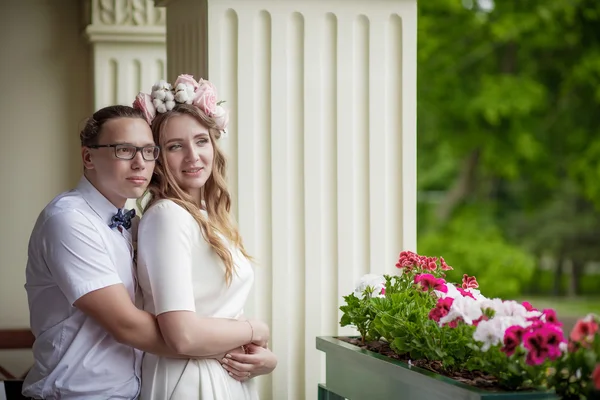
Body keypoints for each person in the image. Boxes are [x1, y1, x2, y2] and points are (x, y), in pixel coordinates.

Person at [21, 105, 265, 400]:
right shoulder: (69, 221)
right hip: (78, 394)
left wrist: (247, 350)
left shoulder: (130, 221)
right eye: (124, 150)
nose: (139, 163)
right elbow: (129, 326)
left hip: (131, 391)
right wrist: (246, 336)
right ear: (88, 157)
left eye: (149, 151)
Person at [134, 75, 277, 399]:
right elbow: (182, 335)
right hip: (189, 381)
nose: (193, 156)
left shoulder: (204, 217)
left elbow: (219, 313)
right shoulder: (167, 217)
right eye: (175, 146)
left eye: (201, 141)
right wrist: (256, 330)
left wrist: (263, 359)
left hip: (222, 375)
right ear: (156, 158)